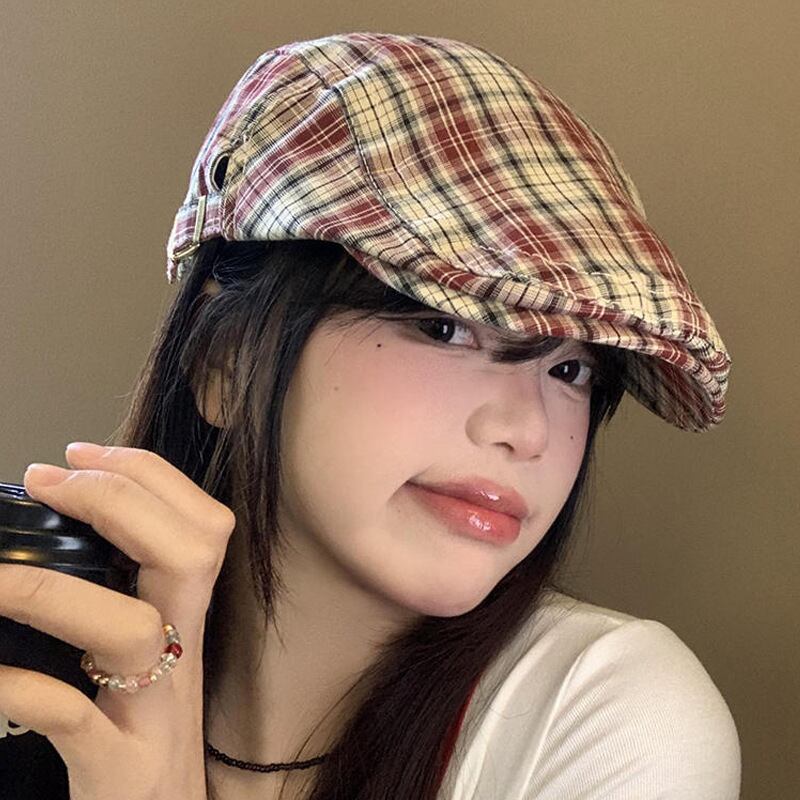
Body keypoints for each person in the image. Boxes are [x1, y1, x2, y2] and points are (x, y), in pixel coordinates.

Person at [4, 30, 740, 800]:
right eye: (443, 328)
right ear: (225, 361)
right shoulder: (40, 681)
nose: (527, 432)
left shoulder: (605, 714)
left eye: (570, 369)